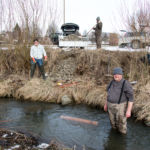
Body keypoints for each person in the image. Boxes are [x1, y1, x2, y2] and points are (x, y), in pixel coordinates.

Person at [104, 67, 134, 134]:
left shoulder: (126, 84)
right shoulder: (111, 82)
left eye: (118, 74)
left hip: (120, 106)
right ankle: (114, 135)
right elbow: (108, 94)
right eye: (115, 74)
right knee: (112, 123)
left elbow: (131, 98)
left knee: (121, 124)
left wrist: (128, 111)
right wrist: (106, 104)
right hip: (110, 105)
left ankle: (122, 138)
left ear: (121, 75)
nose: (116, 75)